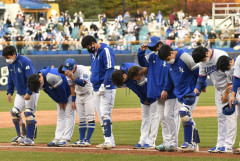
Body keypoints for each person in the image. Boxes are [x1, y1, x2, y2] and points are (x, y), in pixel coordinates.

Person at [137, 36, 180, 152]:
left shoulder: (168, 56)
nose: (152, 49)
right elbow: (142, 63)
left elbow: (170, 74)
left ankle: (173, 142)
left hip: (169, 91)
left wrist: (166, 88)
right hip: (157, 90)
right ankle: (167, 142)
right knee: (162, 118)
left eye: (154, 46)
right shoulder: (152, 56)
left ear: (160, 45)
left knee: (169, 116)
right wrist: (141, 52)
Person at [192, 47, 237, 153]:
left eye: (203, 59)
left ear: (207, 53)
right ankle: (220, 144)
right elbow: (202, 77)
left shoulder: (220, 55)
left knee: (230, 117)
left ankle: (228, 145)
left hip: (229, 88)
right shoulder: (203, 61)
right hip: (218, 89)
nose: (203, 62)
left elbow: (230, 75)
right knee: (221, 117)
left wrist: (226, 93)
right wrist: (196, 89)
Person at [158, 45, 202, 152]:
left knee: (184, 113)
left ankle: (190, 143)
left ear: (171, 53)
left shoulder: (185, 57)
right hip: (180, 93)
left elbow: (199, 73)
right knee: (186, 116)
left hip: (191, 92)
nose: (167, 61)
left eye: (167, 59)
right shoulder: (170, 63)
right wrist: (166, 89)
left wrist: (198, 88)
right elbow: (169, 78)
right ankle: (193, 143)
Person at [81, 35, 116, 149]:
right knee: (101, 115)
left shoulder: (105, 50)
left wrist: (104, 84)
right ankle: (108, 140)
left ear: (93, 43)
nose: (88, 49)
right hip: (96, 88)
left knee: (105, 113)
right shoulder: (93, 54)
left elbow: (110, 68)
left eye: (88, 46)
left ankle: (109, 141)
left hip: (107, 87)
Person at [111, 63, 157, 149]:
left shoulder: (135, 72)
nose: (123, 83)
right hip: (144, 99)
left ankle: (151, 142)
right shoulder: (126, 77)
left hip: (154, 96)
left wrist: (150, 98)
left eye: (122, 81)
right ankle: (142, 141)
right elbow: (136, 90)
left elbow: (150, 85)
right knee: (145, 119)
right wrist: (144, 100)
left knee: (155, 118)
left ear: (124, 76)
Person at [27, 67, 75, 147]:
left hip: (69, 91)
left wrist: (63, 101)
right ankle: (58, 138)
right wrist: (58, 101)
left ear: (40, 79)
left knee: (69, 114)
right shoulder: (38, 80)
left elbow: (62, 89)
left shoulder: (51, 77)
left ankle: (66, 139)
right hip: (61, 95)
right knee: (60, 116)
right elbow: (50, 93)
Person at [2, 45, 39, 146]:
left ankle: (30, 139)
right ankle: (21, 136)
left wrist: (29, 92)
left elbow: (31, 78)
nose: (7, 60)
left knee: (28, 113)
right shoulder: (10, 64)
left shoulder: (25, 61)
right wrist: (9, 92)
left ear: (14, 54)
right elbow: (11, 78)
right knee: (14, 112)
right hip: (20, 92)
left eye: (8, 57)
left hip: (31, 91)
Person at [59, 58, 95, 147]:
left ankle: (88, 140)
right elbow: (72, 87)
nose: (67, 71)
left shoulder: (83, 69)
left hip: (88, 94)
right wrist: (73, 101)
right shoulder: (68, 73)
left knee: (90, 117)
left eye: (68, 69)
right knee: (81, 118)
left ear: (74, 67)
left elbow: (83, 83)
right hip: (78, 95)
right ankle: (81, 139)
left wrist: (72, 76)